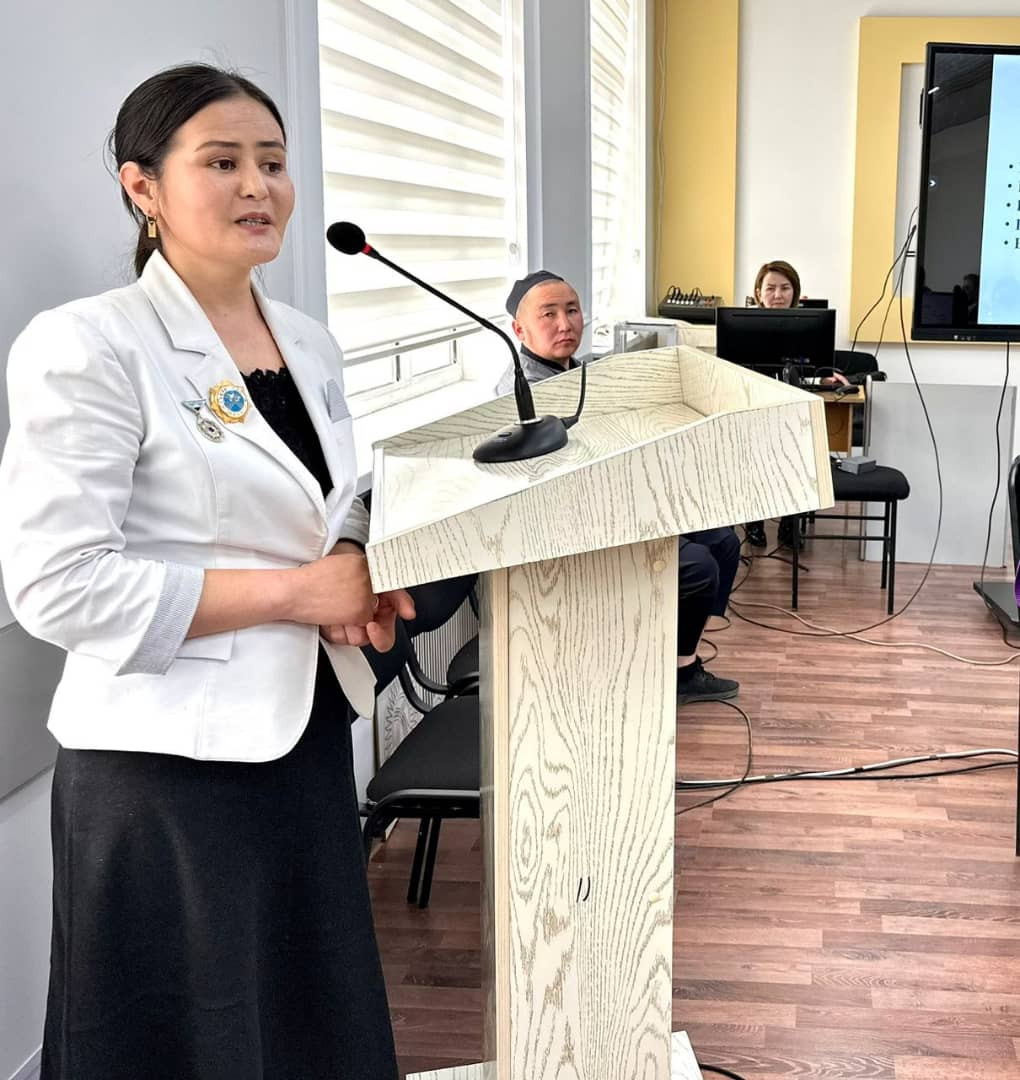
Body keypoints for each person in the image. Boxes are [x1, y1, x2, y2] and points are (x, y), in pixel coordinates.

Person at [0, 64, 414, 1080]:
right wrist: (299, 595)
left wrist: (353, 565)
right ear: (142, 186)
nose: (258, 186)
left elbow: (331, 503)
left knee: (304, 1018)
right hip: (164, 768)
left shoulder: (308, 342)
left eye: (273, 162)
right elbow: (58, 583)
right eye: (222, 162)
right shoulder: (89, 344)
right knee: (186, 1036)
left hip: (303, 734)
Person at [498, 271, 740, 705]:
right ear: (519, 329)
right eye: (548, 315)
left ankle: (678, 658)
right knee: (698, 567)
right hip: (576, 531)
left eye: (572, 310)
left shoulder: (585, 371)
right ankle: (661, 667)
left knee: (722, 541)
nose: (565, 324)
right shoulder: (517, 395)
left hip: (620, 502)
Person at [744, 259, 816, 551]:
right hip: (755, 410)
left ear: (794, 292)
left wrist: (825, 374)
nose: (777, 295)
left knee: (800, 449)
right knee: (755, 453)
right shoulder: (745, 327)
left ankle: (790, 522)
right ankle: (754, 521)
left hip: (793, 410)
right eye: (770, 288)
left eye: (785, 288)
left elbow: (813, 365)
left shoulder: (806, 326)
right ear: (758, 293)